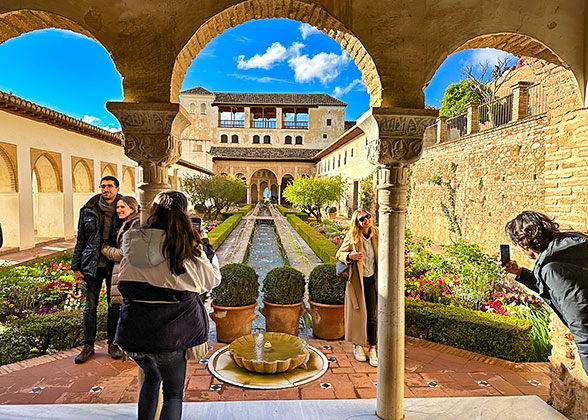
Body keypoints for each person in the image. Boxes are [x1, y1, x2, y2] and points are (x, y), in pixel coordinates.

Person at [116, 190, 221, 420]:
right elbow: (211, 281)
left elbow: (123, 281)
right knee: (173, 393)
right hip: (171, 336)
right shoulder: (183, 248)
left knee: (151, 379)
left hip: (135, 334)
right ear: (183, 214)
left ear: (154, 212)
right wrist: (207, 251)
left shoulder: (132, 243)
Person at [503, 211, 588, 375]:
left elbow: (580, 321)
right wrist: (520, 272)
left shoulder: (552, 268)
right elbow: (560, 287)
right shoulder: (572, 246)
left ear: (524, 244)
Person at [71, 175, 122, 363]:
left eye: (109, 186)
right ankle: (88, 346)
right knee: (90, 307)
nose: (105, 190)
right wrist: (76, 268)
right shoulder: (88, 209)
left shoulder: (124, 209)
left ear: (117, 189)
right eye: (103, 186)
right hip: (92, 264)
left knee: (114, 306)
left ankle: (113, 343)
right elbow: (81, 241)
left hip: (115, 265)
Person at [336, 209, 379, 367]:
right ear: (357, 222)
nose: (366, 220)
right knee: (358, 314)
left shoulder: (377, 234)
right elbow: (339, 254)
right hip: (357, 281)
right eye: (362, 219)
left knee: (372, 315)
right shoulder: (353, 236)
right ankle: (358, 345)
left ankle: (373, 348)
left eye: (367, 217)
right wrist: (349, 256)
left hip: (372, 280)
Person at [100, 195, 141, 360]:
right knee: (117, 309)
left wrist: (104, 250)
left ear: (132, 208)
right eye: (117, 207)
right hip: (120, 272)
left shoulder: (134, 226)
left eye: (122, 207)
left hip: (126, 272)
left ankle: (118, 344)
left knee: (118, 310)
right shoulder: (125, 223)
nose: (118, 210)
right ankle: (118, 344)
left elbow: (125, 253)